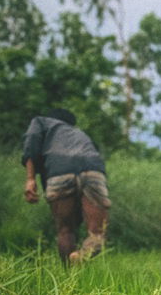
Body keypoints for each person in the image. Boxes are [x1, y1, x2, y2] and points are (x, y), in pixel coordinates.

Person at [21, 108, 110, 263]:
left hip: (60, 170)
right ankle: (81, 257)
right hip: (93, 168)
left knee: (65, 231)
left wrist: (30, 179)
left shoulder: (41, 121)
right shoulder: (80, 134)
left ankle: (69, 275)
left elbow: (31, 143)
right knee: (97, 234)